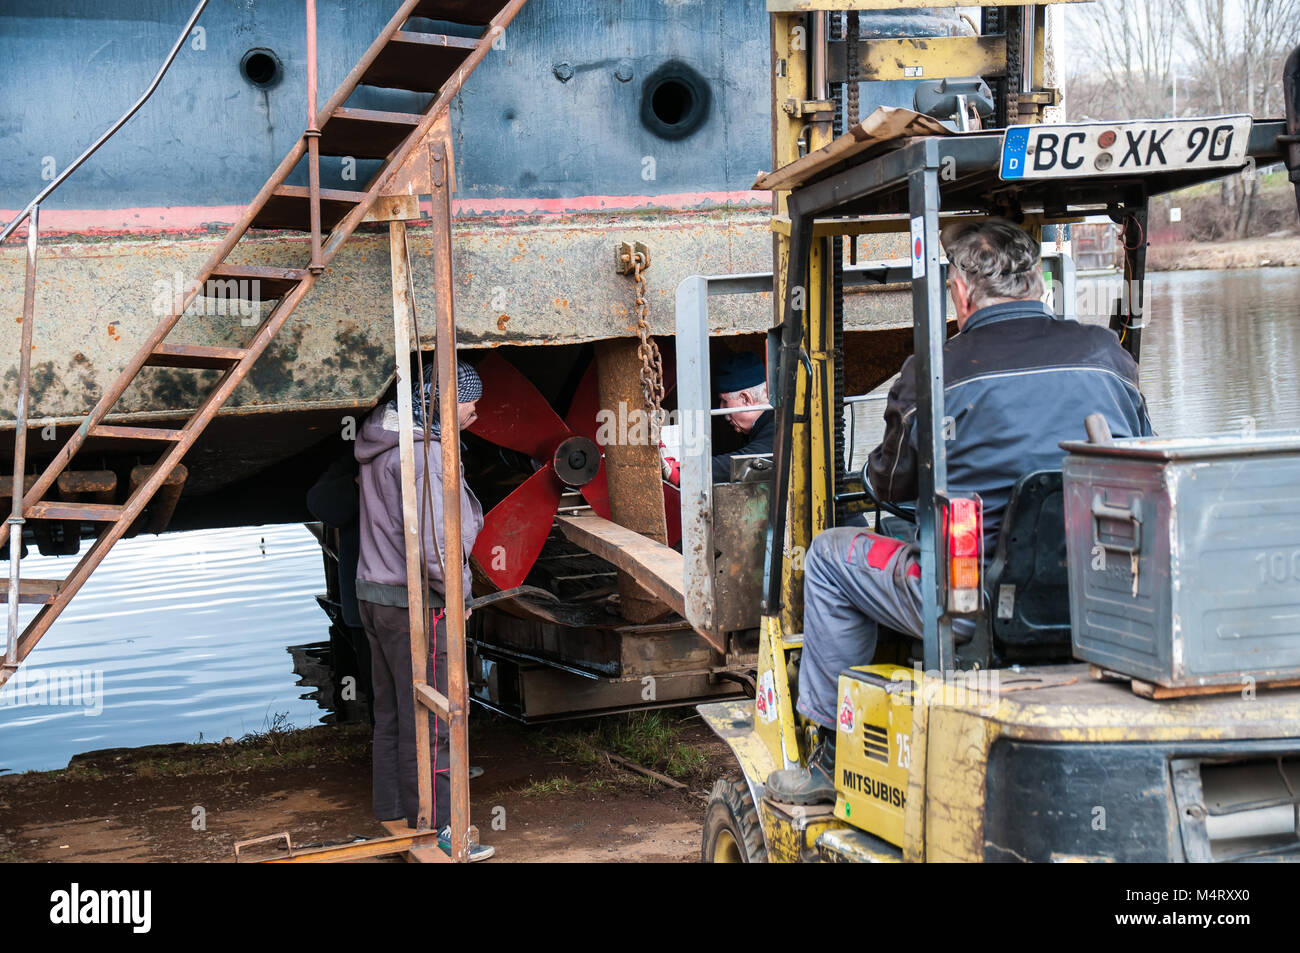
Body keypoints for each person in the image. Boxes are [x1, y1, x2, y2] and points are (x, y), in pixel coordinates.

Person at [767, 217, 1153, 805]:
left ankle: (829, 755)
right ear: (1039, 286)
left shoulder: (934, 370)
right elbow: (1147, 464)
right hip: (1101, 594)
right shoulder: (1108, 356)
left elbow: (888, 486)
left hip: (972, 605)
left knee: (826, 556)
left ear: (961, 291)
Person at [354, 358, 494, 860]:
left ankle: (393, 812)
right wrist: (456, 595)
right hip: (417, 602)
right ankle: (440, 830)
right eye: (468, 399)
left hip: (374, 594)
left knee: (391, 707)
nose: (475, 409)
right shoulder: (427, 454)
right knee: (435, 718)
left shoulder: (381, 441)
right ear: (442, 403)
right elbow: (437, 542)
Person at [662, 351, 775, 485]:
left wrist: (687, 472)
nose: (722, 409)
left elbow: (749, 459)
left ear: (746, 399)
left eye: (724, 401)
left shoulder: (776, 426)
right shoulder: (762, 424)